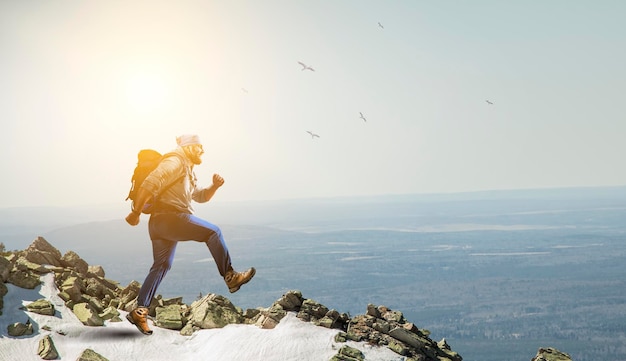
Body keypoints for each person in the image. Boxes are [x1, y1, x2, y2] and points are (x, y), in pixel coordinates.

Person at [124, 134, 255, 335]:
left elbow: (200, 196)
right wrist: (135, 212)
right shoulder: (175, 161)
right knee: (213, 232)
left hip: (159, 224)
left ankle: (140, 311)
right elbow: (150, 182)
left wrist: (214, 186)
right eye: (198, 147)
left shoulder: (186, 169)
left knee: (161, 265)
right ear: (187, 147)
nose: (202, 151)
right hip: (171, 218)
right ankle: (230, 276)